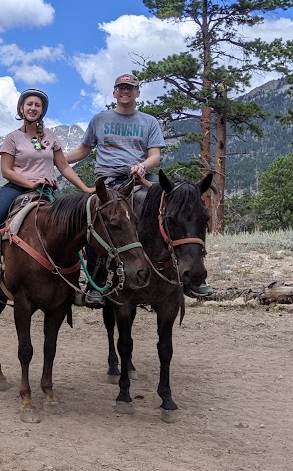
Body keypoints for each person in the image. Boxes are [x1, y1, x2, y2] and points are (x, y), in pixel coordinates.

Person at [66, 72, 210, 300]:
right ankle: (97, 283)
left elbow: (155, 156)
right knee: (95, 219)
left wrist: (142, 166)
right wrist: (57, 159)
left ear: (137, 93)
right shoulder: (99, 120)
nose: (125, 91)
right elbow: (83, 151)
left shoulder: (148, 121)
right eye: (121, 88)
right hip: (108, 181)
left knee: (181, 208)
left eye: (130, 88)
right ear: (114, 92)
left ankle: (194, 273)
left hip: (139, 177)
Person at [0, 88, 94, 292]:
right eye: (29, 104)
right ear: (21, 108)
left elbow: (64, 166)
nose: (33, 108)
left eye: (37, 105)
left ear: (42, 111)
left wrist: (85, 188)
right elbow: (6, 171)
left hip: (47, 190)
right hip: (17, 187)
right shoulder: (12, 138)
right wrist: (30, 184)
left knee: (73, 223)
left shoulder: (51, 137)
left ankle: (75, 276)